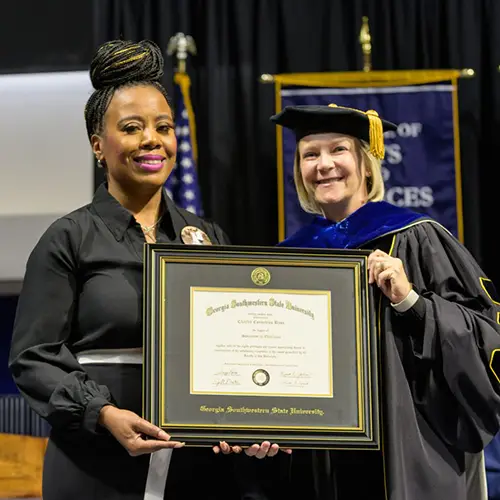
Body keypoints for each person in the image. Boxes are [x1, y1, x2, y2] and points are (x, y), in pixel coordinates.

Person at [7, 39, 278, 500]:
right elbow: (33, 359)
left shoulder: (207, 237)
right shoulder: (68, 238)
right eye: (131, 128)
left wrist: (252, 417)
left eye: (164, 127)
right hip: (95, 459)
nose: (152, 140)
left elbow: (239, 349)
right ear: (98, 144)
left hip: (197, 463)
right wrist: (103, 413)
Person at [266, 103, 500, 499]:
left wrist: (412, 302)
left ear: (366, 163)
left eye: (338, 150)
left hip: (408, 444)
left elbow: (484, 333)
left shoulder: (416, 237)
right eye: (310, 154)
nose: (324, 165)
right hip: (321, 453)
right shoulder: (292, 256)